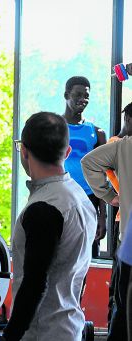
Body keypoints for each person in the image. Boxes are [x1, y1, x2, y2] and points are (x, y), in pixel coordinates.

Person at [0, 112, 95, 341]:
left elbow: (35, 283)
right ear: (68, 151)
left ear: (24, 151)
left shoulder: (44, 208)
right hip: (66, 338)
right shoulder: (79, 197)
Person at [82, 102, 132, 341]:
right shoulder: (120, 144)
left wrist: (110, 196)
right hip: (127, 232)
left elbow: (89, 162)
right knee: (122, 297)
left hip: (129, 235)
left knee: (123, 298)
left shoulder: (123, 146)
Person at [62, 76, 107, 256]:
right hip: (61, 198)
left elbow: (103, 175)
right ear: (66, 95)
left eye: (86, 96)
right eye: (78, 95)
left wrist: (102, 217)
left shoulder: (96, 133)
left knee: (86, 257)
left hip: (89, 200)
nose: (83, 100)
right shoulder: (55, 127)